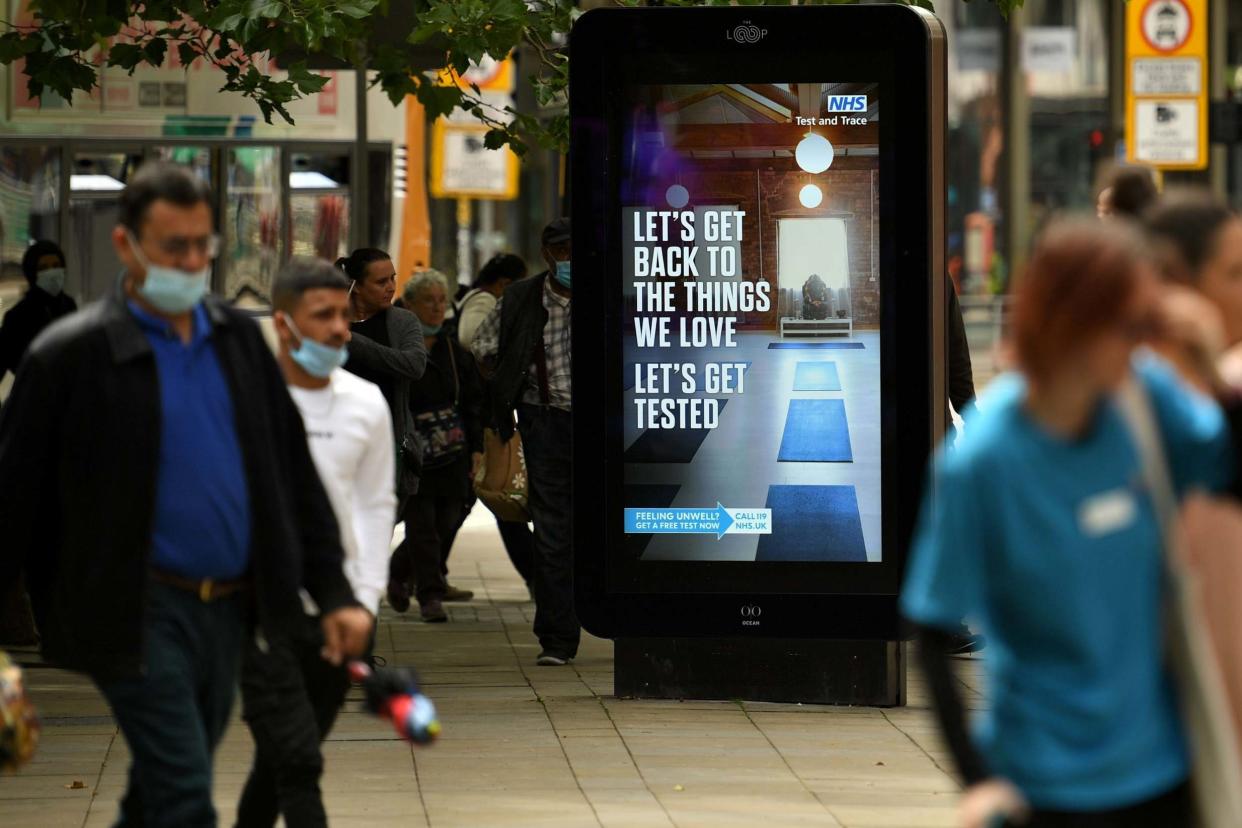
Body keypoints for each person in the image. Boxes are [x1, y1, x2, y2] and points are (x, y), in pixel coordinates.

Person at [0, 163, 372, 828]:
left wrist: (337, 595)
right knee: (183, 796)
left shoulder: (239, 343)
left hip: (229, 611)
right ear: (127, 246)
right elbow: (10, 500)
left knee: (162, 784)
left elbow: (293, 478)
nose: (193, 261)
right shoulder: (70, 357)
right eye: (175, 247)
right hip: (134, 608)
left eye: (203, 245)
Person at [902, 219, 1231, 828]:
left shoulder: (1142, 399)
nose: (1142, 347)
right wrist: (977, 780)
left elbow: (1229, 469)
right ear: (1074, 322)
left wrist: (1212, 372)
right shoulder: (983, 463)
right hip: (1042, 781)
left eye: (1148, 326)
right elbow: (930, 629)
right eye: (1131, 328)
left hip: (1159, 771)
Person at [237, 259, 396, 828]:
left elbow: (377, 507)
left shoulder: (364, 403)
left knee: (281, 758)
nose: (340, 329)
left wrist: (366, 598)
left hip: (341, 612)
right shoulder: (246, 403)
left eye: (344, 316)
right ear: (283, 325)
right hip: (260, 614)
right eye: (322, 316)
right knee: (299, 760)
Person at [473, 218, 578, 666]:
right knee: (552, 531)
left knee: (607, 528)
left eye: (575, 248)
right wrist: (507, 389)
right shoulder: (521, 297)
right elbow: (481, 346)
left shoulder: (615, 289)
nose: (568, 258)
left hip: (606, 427)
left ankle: (612, 619)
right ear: (546, 253)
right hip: (545, 421)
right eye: (560, 250)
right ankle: (556, 637)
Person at [388, 269, 485, 621]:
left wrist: (477, 447)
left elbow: (473, 402)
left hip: (452, 451)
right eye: (428, 300)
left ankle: (398, 570)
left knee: (449, 519)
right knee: (422, 523)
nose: (436, 307)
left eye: (441, 300)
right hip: (413, 451)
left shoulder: (452, 349)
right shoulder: (397, 343)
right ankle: (430, 595)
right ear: (409, 304)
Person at [457, 253, 535, 590]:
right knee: (501, 498)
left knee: (480, 500)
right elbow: (471, 339)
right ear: (504, 283)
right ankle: (538, 576)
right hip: (481, 413)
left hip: (485, 412)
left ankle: (414, 575)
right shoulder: (485, 303)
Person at [336, 248, 427, 503]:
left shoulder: (402, 322)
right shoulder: (332, 321)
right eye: (380, 282)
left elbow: (414, 365)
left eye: (392, 278)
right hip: (340, 442)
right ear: (356, 286)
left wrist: (354, 341)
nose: (391, 287)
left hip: (388, 444)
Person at [0, 239, 76, 379]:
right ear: (32, 272)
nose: (52, 272)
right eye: (43, 268)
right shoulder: (17, 317)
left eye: (56, 265)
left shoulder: (69, 306)